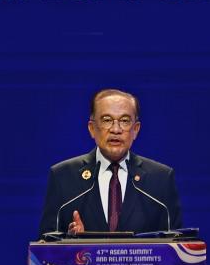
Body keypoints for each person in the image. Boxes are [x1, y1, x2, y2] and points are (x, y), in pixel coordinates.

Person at [38, 88, 182, 236]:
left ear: (136, 129)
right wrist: (70, 241)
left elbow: (176, 243)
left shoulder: (161, 179)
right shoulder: (63, 176)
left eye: (125, 121)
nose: (116, 129)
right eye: (107, 120)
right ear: (92, 128)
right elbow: (46, 243)